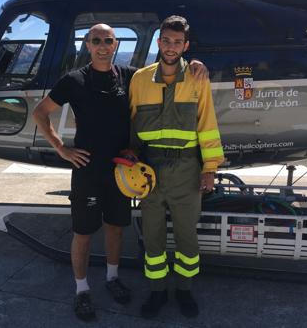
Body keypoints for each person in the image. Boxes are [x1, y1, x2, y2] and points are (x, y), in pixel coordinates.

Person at [32, 23, 209, 322]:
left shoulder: (129, 76)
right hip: (87, 170)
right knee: (84, 233)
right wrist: (61, 148)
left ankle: (113, 279)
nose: (103, 46)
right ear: (87, 44)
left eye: (108, 41)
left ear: (115, 45)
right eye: (96, 40)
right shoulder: (73, 80)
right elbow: (40, 111)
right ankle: (82, 289)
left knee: (115, 229)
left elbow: (162, 70)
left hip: (122, 170)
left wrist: (193, 63)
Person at [128, 15, 224, 318]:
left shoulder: (197, 78)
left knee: (186, 237)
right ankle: (157, 293)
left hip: (186, 169)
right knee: (152, 236)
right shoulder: (140, 79)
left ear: (186, 45)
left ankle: (184, 290)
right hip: (150, 169)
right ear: (159, 42)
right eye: (166, 41)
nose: (171, 47)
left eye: (177, 42)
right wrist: (128, 164)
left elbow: (207, 124)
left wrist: (209, 168)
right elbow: (131, 125)